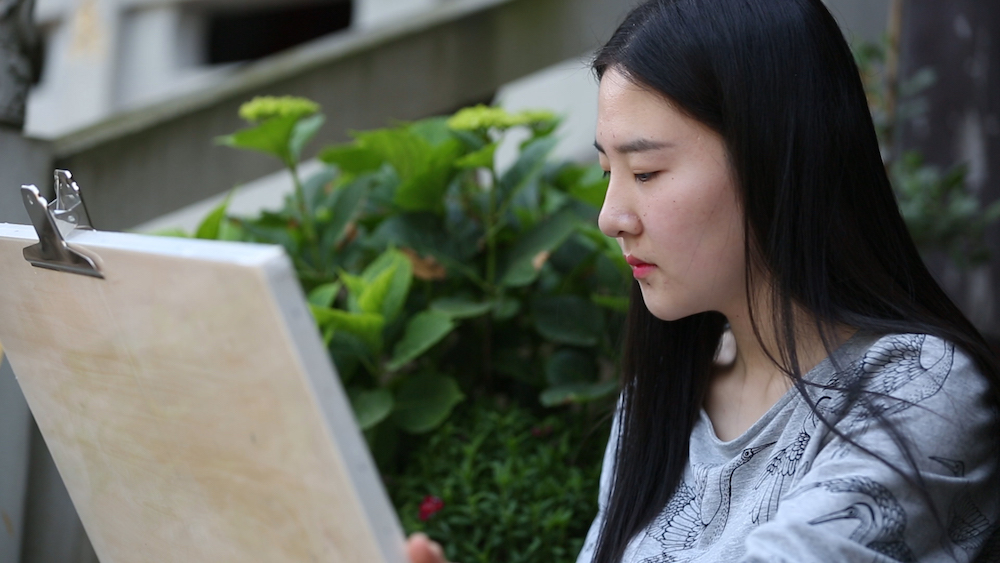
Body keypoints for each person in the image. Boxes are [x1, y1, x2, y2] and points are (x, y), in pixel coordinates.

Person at [407, 0, 1000, 561]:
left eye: (645, 171)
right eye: (608, 171)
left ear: (773, 158)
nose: (610, 217)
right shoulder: (665, 392)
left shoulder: (919, 386)